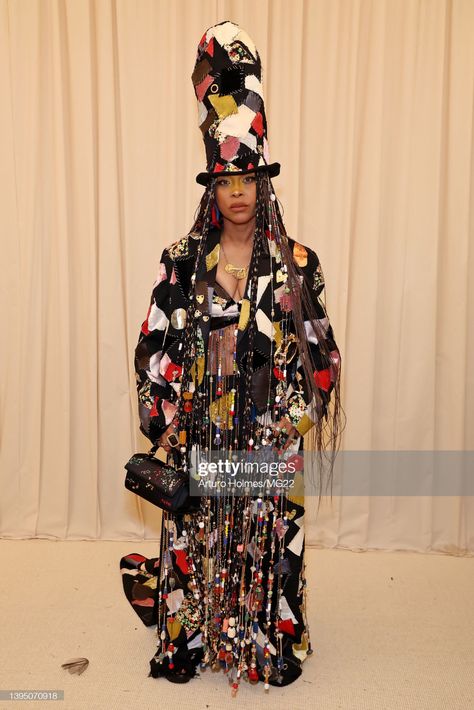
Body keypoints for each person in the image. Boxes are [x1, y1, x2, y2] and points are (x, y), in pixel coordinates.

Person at [120, 20, 343, 695]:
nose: (239, 190)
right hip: (201, 439)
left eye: (249, 177)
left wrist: (289, 423)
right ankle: (186, 637)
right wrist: (166, 419)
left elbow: (322, 356)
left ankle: (271, 643)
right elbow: (151, 345)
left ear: (264, 182)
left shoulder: (298, 265)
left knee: (273, 548)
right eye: (227, 179)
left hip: (268, 445)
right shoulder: (182, 263)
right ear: (210, 189)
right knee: (196, 540)